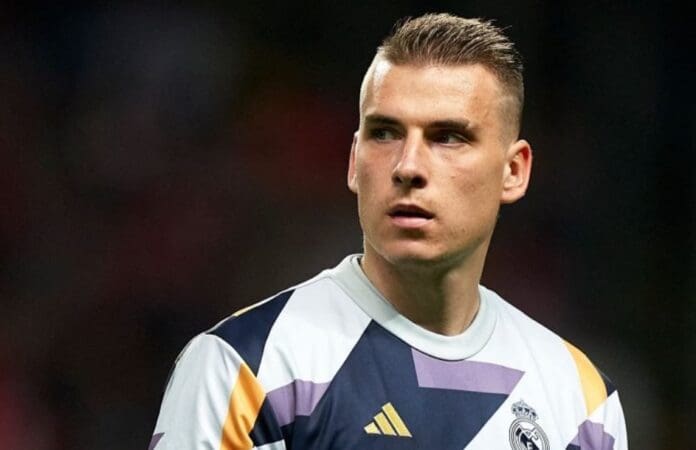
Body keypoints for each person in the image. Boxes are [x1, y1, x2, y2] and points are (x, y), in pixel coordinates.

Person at [149, 13, 628, 450]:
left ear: (514, 171)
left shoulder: (581, 404)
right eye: (385, 133)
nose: (408, 166)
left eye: (448, 137)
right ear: (353, 161)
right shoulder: (248, 366)